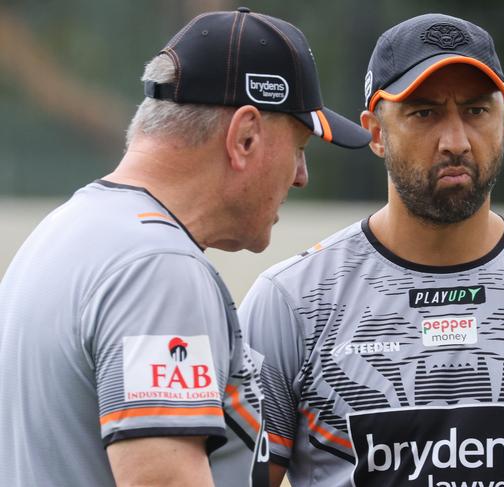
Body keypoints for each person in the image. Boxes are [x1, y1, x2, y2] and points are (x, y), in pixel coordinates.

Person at [239, 13, 504, 487]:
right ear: (374, 131)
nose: (455, 142)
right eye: (424, 113)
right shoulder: (291, 301)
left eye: (476, 111)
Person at [0, 8, 369, 487]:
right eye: (300, 147)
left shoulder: (66, 230)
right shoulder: (161, 267)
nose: (302, 176)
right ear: (246, 136)